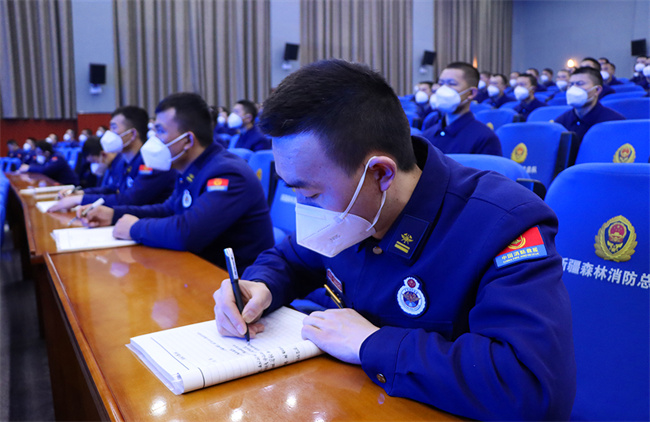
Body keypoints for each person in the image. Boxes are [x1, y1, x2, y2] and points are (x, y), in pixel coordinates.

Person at [212, 59, 576, 420]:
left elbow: (530, 386)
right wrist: (259, 285)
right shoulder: (351, 209)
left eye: (311, 194)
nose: (305, 208)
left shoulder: (503, 222)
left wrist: (371, 344)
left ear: (381, 173)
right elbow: (290, 258)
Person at [79, 93, 275, 272]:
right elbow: (168, 210)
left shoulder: (227, 174)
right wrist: (113, 214)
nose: (154, 139)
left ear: (187, 140)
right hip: (202, 271)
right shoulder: (192, 168)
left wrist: (134, 228)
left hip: (237, 286)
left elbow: (188, 233)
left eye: (160, 131)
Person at [48, 106, 177, 211]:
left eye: (114, 128)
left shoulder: (152, 161)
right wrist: (79, 193)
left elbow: (130, 199)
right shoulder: (123, 160)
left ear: (132, 134)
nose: (109, 134)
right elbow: (112, 189)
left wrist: (79, 200)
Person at [421, 62, 502, 155]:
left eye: (452, 84)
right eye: (441, 83)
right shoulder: (427, 135)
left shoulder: (485, 138)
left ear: (471, 93)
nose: (443, 90)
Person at [555, 67, 625, 143]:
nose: (573, 89)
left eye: (580, 84)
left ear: (597, 90)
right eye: (571, 84)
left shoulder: (614, 122)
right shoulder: (560, 123)